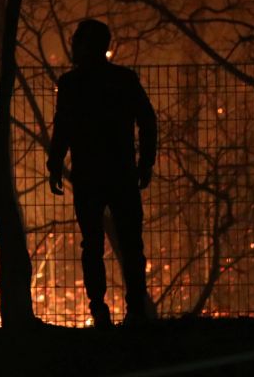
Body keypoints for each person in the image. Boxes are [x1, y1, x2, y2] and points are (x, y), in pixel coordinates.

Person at [48, 18, 157, 328]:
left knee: (92, 244)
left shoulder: (71, 84)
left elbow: (64, 126)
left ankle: (99, 310)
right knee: (131, 242)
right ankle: (135, 309)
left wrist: (56, 163)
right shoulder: (124, 79)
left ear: (82, 46)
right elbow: (147, 120)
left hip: (88, 173)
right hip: (121, 171)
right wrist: (145, 161)